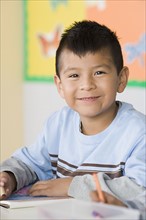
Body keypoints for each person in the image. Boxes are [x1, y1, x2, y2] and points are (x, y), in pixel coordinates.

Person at [0, 20, 145, 216]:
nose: (87, 85)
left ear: (121, 79)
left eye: (99, 72)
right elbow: (30, 163)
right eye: (74, 75)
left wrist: (73, 186)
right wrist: (9, 177)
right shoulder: (58, 124)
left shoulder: (137, 132)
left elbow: (139, 187)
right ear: (60, 85)